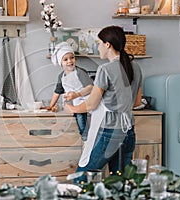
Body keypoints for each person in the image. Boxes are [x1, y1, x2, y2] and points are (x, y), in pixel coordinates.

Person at [64, 26, 143, 180]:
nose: (98, 47)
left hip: (109, 133)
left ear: (108, 45)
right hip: (128, 132)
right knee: (120, 184)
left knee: (81, 179)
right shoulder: (136, 67)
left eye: (99, 43)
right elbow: (136, 102)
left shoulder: (105, 69)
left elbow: (91, 105)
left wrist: (72, 109)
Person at [47, 42, 93, 140]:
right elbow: (57, 92)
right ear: (61, 63)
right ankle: (85, 137)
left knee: (81, 115)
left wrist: (77, 94)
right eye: (65, 59)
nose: (69, 61)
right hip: (74, 103)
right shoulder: (61, 77)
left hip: (86, 100)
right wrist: (50, 106)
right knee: (77, 114)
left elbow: (90, 87)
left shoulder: (80, 72)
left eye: (72, 58)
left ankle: (86, 137)